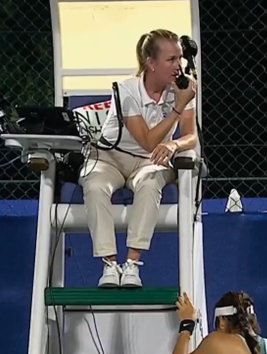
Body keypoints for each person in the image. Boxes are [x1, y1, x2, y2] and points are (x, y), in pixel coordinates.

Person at [81, 29, 198, 288]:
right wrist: (178, 106)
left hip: (149, 161)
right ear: (151, 63)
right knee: (94, 184)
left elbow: (191, 136)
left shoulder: (183, 89)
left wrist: (174, 144)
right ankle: (110, 265)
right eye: (171, 60)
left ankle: (132, 264)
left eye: (179, 58)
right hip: (110, 157)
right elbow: (146, 139)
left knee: (150, 183)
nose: (178, 66)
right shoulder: (126, 90)